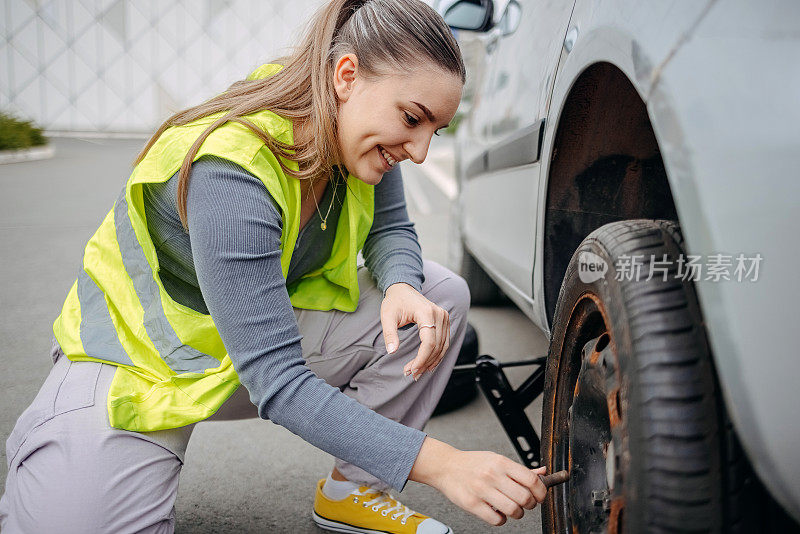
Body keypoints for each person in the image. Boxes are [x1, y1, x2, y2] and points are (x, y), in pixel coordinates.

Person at [0, 0, 548, 532]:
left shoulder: (358, 133)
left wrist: (402, 284)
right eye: (413, 119)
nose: (421, 151)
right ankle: (64, 434)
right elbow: (279, 382)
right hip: (141, 362)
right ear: (346, 75)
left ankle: (352, 492)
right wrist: (444, 464)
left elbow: (391, 228)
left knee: (438, 295)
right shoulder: (233, 171)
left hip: (241, 347)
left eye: (435, 131)